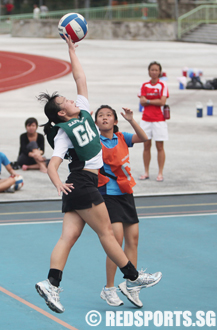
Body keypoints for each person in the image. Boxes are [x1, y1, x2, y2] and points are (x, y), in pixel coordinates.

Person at [35, 35, 162, 314]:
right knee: (107, 232)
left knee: (68, 238)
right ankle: (132, 277)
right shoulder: (64, 135)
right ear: (60, 111)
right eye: (64, 100)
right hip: (83, 183)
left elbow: (80, 78)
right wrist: (57, 183)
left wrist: (71, 50)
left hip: (76, 185)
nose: (71, 98)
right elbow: (53, 165)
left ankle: (51, 283)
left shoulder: (80, 112)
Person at [95, 105, 153, 308]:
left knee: (133, 239)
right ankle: (109, 288)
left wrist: (131, 119)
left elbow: (144, 138)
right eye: (101, 116)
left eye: (108, 115)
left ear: (114, 121)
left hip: (126, 192)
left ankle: (132, 284)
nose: (105, 118)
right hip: (107, 194)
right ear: (96, 122)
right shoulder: (95, 141)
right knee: (116, 241)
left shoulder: (122, 137)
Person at [138, 61, 169, 182]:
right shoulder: (144, 85)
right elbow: (141, 101)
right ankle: (146, 171)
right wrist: (152, 100)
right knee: (146, 145)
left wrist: (149, 101)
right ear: (149, 71)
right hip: (146, 119)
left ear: (160, 72)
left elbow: (162, 102)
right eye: (152, 70)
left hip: (159, 119)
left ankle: (160, 172)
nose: (154, 72)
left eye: (156, 70)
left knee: (160, 146)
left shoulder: (163, 85)